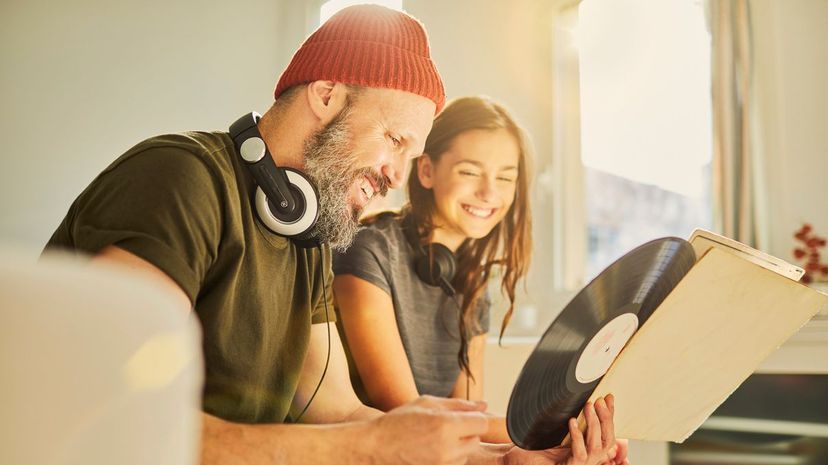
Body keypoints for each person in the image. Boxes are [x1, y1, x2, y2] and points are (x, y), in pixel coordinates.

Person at [43, 5, 626, 465]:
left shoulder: (308, 233)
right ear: (326, 95)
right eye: (395, 140)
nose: (399, 177)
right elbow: (120, 421)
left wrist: (504, 458)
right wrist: (372, 451)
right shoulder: (180, 177)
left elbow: (338, 410)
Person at [333, 96, 529, 444]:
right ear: (426, 170)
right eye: (469, 172)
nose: (489, 192)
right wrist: (549, 433)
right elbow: (408, 415)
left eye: (505, 178)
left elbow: (470, 417)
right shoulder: (369, 250)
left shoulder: (472, 281)